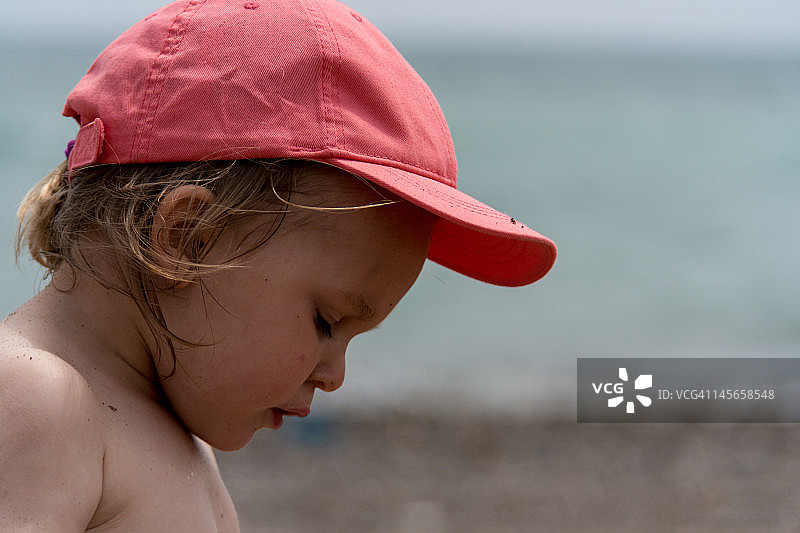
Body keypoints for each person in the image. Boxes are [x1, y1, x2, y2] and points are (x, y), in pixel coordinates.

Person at [0, 0, 557, 530]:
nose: (335, 377)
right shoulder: (35, 396)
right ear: (187, 237)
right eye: (327, 322)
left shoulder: (166, 417)